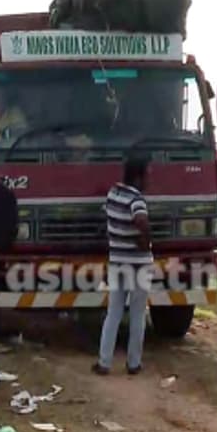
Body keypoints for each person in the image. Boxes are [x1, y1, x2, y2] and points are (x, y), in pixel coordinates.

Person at [94, 153, 154, 375]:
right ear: (138, 176)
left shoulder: (113, 193)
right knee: (138, 314)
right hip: (138, 265)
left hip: (118, 262)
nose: (150, 178)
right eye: (147, 173)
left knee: (114, 313)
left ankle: (104, 362)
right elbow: (141, 220)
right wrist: (145, 240)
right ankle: (133, 363)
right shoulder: (136, 200)